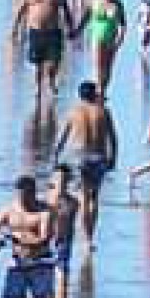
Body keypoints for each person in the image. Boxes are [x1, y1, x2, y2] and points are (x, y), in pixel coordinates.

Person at [51, 81, 117, 250]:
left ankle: (84, 236)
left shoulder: (73, 112)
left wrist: (55, 159)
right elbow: (113, 138)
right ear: (94, 94)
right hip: (99, 157)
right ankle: (89, 238)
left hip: (79, 158)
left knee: (83, 197)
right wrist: (113, 159)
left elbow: (61, 138)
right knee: (94, 198)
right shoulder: (104, 111)